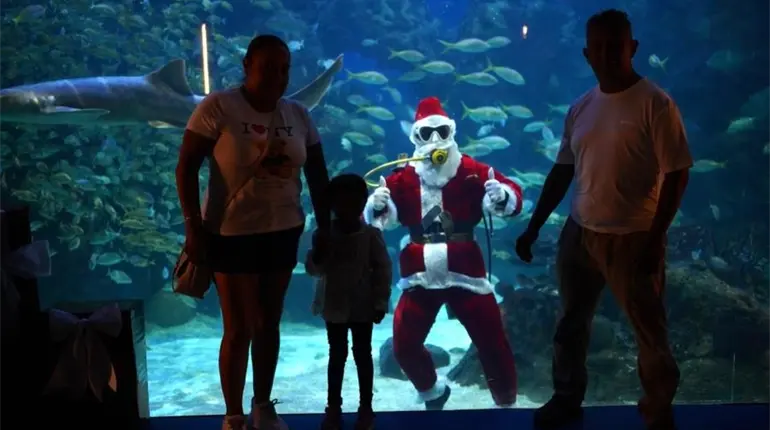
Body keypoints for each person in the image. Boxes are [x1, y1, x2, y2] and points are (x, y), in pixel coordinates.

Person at [514, 9, 691, 430]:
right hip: (579, 232)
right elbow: (563, 170)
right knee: (570, 323)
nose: (608, 55)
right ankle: (566, 398)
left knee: (649, 331)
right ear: (586, 53)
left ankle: (658, 411)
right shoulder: (580, 107)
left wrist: (656, 237)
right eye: (599, 47)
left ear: (634, 48)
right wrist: (534, 226)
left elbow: (677, 173)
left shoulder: (656, 104)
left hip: (633, 235)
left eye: (616, 46)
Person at [176, 34, 330, 430]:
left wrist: (325, 228)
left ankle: (262, 405)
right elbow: (186, 167)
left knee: (268, 322)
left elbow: (317, 173)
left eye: (284, 69)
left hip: (284, 230)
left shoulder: (298, 114)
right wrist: (193, 225)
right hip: (232, 232)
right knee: (239, 326)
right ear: (246, 66)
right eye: (268, 68)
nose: (278, 77)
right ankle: (233, 414)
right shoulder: (218, 107)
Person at [363, 96, 523, 409]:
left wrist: (502, 195)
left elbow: (513, 196)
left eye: (442, 131)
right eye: (427, 133)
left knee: (492, 342)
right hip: (420, 274)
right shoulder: (401, 178)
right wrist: (377, 205)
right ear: (416, 137)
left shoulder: (472, 170)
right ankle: (433, 392)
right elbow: (376, 220)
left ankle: (506, 403)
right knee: (404, 344)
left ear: (451, 132)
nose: (435, 139)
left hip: (467, 272)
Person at [305, 173, 393, 430]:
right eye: (341, 203)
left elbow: (383, 270)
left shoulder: (371, 235)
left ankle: (365, 408)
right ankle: (334, 408)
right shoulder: (323, 234)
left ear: (362, 203)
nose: (346, 208)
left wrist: (380, 302)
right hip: (334, 305)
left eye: (352, 202)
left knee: (361, 355)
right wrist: (318, 252)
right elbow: (314, 269)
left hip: (362, 305)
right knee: (338, 355)